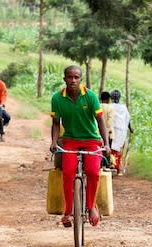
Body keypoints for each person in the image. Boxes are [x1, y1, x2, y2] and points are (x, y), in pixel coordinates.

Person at [50, 65, 110, 228]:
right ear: (65, 79)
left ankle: (91, 207)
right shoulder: (57, 98)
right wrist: (54, 142)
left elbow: (100, 121)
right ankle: (68, 212)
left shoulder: (90, 96)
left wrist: (106, 143)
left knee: (92, 171)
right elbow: (56, 123)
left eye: (76, 77)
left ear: (80, 79)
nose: (73, 80)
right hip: (70, 140)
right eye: (70, 77)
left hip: (92, 140)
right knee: (68, 172)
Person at [110, 89, 134, 176]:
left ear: (111, 98)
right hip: (121, 131)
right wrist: (130, 129)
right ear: (119, 98)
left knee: (112, 147)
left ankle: (111, 165)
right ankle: (118, 168)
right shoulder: (123, 107)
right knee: (119, 149)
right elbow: (127, 119)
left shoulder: (110, 106)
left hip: (112, 130)